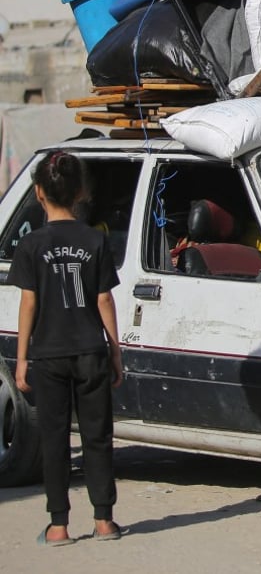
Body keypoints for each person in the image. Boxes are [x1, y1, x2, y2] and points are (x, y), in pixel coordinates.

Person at [11, 151, 124, 546]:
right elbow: (104, 300)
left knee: (55, 439)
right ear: (79, 192)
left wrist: (22, 358)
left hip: (48, 355)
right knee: (97, 436)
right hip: (90, 350)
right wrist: (115, 349)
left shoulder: (30, 245)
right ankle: (105, 520)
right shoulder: (96, 239)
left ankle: (58, 525)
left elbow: (29, 303)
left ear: (38, 192)